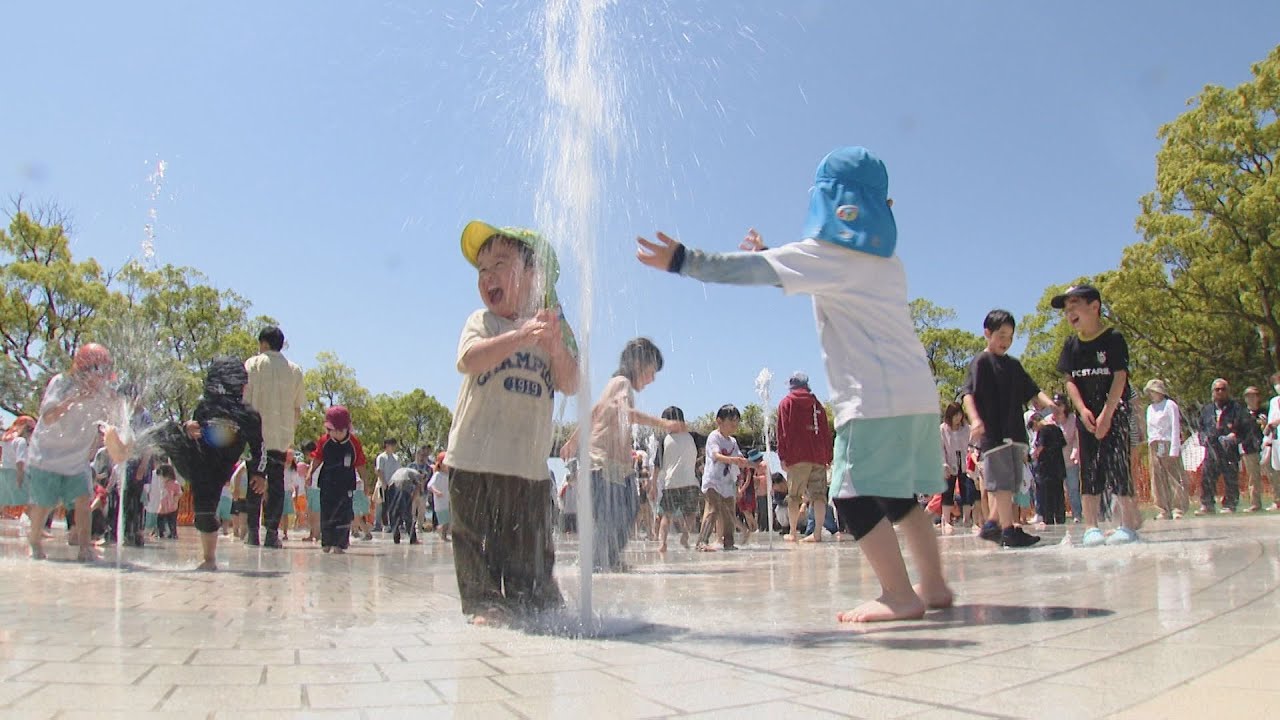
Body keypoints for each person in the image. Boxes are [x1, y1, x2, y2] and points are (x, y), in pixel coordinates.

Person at [637, 146, 952, 622]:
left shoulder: (825, 254)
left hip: (873, 404)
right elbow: (810, 275)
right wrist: (772, 253)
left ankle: (898, 595)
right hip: (917, 399)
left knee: (850, 496)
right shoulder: (888, 264)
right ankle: (934, 584)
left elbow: (749, 273)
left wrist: (684, 259)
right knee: (897, 498)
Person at [445, 220, 579, 625]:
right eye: (481, 270)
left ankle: (534, 596)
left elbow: (570, 382)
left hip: (528, 466)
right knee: (474, 538)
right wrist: (520, 335)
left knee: (530, 544)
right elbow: (470, 360)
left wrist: (554, 346)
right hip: (473, 459)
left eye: (499, 264)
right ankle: (483, 600)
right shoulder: (483, 323)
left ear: (534, 275)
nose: (487, 277)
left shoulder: (552, 330)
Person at [561, 337, 679, 570]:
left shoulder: (614, 384)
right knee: (617, 516)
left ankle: (603, 561)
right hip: (603, 465)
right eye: (651, 371)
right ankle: (599, 563)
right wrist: (663, 423)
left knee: (621, 514)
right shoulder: (623, 382)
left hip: (608, 466)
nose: (652, 378)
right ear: (638, 363)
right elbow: (625, 412)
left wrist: (572, 442)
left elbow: (594, 412)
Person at [1053, 284, 1142, 544]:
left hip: (1114, 413)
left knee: (1118, 466)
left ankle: (1127, 523)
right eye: (1066, 310)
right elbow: (1070, 380)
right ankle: (1091, 526)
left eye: (1075, 306)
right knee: (1089, 470)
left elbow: (1120, 376)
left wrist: (1108, 413)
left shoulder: (1112, 337)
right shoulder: (1071, 344)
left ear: (1095, 307)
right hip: (1087, 418)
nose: (1070, 313)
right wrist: (1081, 410)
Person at [961, 310, 1055, 548]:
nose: (1006, 341)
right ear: (987, 333)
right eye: (1001, 335)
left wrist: (1051, 405)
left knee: (1011, 483)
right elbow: (968, 395)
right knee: (1001, 483)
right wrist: (975, 420)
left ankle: (992, 524)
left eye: (1010, 336)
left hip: (1015, 433)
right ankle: (1008, 530)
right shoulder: (981, 362)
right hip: (994, 433)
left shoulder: (1013, 365)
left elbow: (1032, 390)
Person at [25, 343, 122, 561]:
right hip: (46, 455)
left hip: (77, 459)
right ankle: (34, 541)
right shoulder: (62, 383)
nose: (102, 378)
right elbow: (48, 416)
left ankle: (84, 547)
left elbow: (113, 421)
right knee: (44, 503)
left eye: (105, 373)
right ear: (83, 369)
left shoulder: (103, 394)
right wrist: (74, 399)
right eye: (99, 372)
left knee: (83, 501)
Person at [243, 325, 305, 548]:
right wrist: (289, 430)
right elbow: (298, 408)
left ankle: (252, 533)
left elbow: (244, 400)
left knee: (254, 483)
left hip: (256, 437)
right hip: (280, 439)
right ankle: (271, 532)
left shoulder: (253, 364)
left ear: (264, 343)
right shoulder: (294, 370)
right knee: (277, 485)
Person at [776, 371, 833, 543]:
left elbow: (782, 431)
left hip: (797, 457)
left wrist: (782, 456)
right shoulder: (817, 405)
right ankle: (817, 534)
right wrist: (828, 456)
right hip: (817, 456)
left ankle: (793, 533)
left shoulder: (786, 403)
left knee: (794, 496)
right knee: (819, 496)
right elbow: (825, 432)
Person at [310, 406, 365, 553]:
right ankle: (326, 542)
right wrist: (310, 474)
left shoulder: (354, 443)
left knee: (344, 513)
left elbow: (360, 464)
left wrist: (366, 484)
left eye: (340, 431)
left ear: (347, 429)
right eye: (333, 430)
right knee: (326, 512)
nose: (337, 434)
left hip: (346, 483)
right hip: (327, 482)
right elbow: (317, 458)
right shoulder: (324, 441)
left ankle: (340, 544)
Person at [1195, 379, 1251, 514]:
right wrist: (1203, 438)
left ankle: (1230, 504)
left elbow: (1245, 426)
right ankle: (1207, 505)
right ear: (1213, 392)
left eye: (1223, 389)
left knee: (1230, 477)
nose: (1220, 392)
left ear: (1228, 391)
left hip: (1229, 448)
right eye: (1217, 389)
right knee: (1207, 476)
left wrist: (1235, 435)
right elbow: (1201, 427)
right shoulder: (1207, 409)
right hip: (1212, 448)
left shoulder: (1236, 408)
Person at [697, 405, 746, 552]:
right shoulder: (714, 437)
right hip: (712, 481)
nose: (734, 426)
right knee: (713, 509)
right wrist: (734, 460)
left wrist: (745, 462)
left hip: (727, 482)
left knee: (729, 512)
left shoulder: (733, 441)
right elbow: (716, 455)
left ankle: (729, 542)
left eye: (737, 423)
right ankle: (702, 541)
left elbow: (739, 456)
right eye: (731, 422)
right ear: (719, 421)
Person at [654, 407, 700, 552]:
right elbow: (657, 463)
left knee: (667, 515)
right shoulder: (693, 437)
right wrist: (652, 483)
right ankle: (683, 537)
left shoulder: (666, 440)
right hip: (687, 482)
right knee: (689, 513)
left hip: (674, 483)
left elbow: (657, 464)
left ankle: (664, 543)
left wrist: (653, 483)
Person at [1143, 378, 1189, 520]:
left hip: (1168, 442)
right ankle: (1163, 508)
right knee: (1157, 477)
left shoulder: (1170, 405)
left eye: (1154, 391)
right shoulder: (1150, 408)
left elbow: (1175, 426)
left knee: (1173, 476)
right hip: (1154, 444)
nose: (1152, 394)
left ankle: (1177, 507)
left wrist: (1174, 448)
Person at [939, 402, 975, 532]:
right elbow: (940, 448)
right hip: (949, 463)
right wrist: (944, 464)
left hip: (964, 463)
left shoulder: (967, 428)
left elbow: (972, 444)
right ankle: (946, 520)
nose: (958, 418)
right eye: (955, 415)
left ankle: (967, 519)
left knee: (967, 491)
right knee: (947, 491)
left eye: (959, 414)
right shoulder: (943, 429)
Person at [1031, 413, 1067, 525]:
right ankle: (1060, 517)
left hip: (1046, 467)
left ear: (1036, 422)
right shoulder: (1057, 429)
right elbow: (1063, 444)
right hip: (1058, 466)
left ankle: (1049, 518)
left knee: (1047, 495)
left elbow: (1040, 447)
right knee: (1059, 494)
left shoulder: (1043, 431)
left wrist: (1033, 456)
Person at [1053, 393, 1084, 522]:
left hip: (1070, 459)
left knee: (1073, 488)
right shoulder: (1050, 420)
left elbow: (1077, 439)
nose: (1057, 407)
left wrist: (1075, 452)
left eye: (1059, 404)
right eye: (1055, 404)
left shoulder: (1073, 419)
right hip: (1055, 462)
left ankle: (1077, 513)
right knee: (1057, 490)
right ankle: (1058, 515)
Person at [1, 416, 36, 512]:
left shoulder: (6, 440)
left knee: (3, 501)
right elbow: (20, 461)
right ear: (24, 427)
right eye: (31, 429)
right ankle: (37, 526)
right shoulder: (21, 441)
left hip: (4, 472)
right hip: (16, 473)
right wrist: (20, 478)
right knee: (29, 503)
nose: (32, 433)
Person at [1241, 386, 1268, 513]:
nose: (1251, 398)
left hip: (1265, 447)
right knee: (1253, 477)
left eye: (1254, 395)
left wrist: (1265, 424)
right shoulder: (1242, 414)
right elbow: (1238, 431)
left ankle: (1277, 501)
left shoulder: (1265, 411)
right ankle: (1255, 503)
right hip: (1249, 449)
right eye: (1248, 396)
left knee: (1273, 474)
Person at [387, 465, 423, 544]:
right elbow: (417, 489)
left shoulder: (405, 470)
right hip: (404, 483)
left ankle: (396, 538)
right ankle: (413, 539)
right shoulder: (418, 474)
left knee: (393, 513)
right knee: (407, 513)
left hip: (391, 484)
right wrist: (411, 501)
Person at [374, 438, 400, 532]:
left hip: (394, 484)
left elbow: (398, 471)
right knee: (384, 505)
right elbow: (379, 470)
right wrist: (383, 483)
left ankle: (393, 523)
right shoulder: (381, 457)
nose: (393, 446)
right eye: (391, 444)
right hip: (384, 484)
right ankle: (384, 525)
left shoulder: (396, 457)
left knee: (393, 505)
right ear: (387, 445)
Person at [1265, 372, 1280, 511]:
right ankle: (1277, 500)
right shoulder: (1274, 401)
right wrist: (1266, 438)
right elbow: (1271, 420)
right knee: (1275, 470)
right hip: (1276, 440)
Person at [427, 452, 451, 541]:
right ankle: (442, 535)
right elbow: (429, 485)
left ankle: (441, 533)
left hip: (447, 501)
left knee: (447, 522)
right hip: (440, 502)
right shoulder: (437, 475)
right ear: (440, 464)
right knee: (445, 522)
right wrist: (436, 492)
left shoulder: (448, 476)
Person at [156, 465, 182, 540]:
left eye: (162, 476)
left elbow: (179, 493)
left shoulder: (175, 483)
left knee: (172, 522)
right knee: (160, 521)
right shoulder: (162, 483)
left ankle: (173, 534)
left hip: (172, 507)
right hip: (162, 507)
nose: (161, 478)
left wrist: (175, 500)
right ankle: (161, 533)